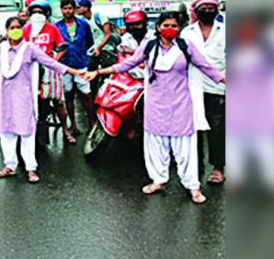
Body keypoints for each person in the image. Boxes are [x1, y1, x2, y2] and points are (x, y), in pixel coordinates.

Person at [84, 11, 225, 204]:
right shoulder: (149, 46)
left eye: (174, 26)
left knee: (185, 148)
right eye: (166, 25)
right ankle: (158, 180)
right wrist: (99, 72)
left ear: (179, 28)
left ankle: (193, 186)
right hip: (155, 104)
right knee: (156, 144)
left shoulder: (186, 46)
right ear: (158, 27)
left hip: (181, 104)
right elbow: (128, 64)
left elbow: (207, 67)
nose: (170, 29)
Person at [0, 17, 83, 184]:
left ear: (23, 30)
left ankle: (31, 168)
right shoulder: (1, 49)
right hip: (5, 97)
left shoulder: (30, 49)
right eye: (12, 27)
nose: (15, 30)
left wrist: (75, 72)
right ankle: (10, 166)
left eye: (18, 27)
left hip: (23, 96)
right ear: (7, 30)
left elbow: (50, 63)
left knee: (26, 132)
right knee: (6, 131)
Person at [181, 0, 227, 185]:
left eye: (211, 8)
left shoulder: (225, 30)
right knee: (194, 130)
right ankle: (196, 167)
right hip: (192, 87)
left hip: (219, 86)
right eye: (203, 8)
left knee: (217, 130)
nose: (207, 11)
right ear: (196, 11)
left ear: (217, 11)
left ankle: (218, 168)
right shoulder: (187, 33)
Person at [24, 0, 75, 145]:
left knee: (58, 101)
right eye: (34, 12)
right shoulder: (26, 29)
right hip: (30, 70)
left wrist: (54, 61)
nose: (37, 15)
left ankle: (66, 130)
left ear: (46, 14)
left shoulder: (52, 29)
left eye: (40, 12)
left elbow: (62, 46)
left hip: (50, 70)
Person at [55, 0, 94, 133]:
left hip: (80, 63)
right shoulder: (57, 26)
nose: (67, 11)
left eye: (70, 8)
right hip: (64, 65)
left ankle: (92, 123)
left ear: (74, 9)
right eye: (65, 8)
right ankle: (73, 125)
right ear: (61, 10)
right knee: (68, 96)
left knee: (86, 95)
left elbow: (89, 42)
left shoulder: (84, 25)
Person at [77, 0, 117, 97]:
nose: (77, 9)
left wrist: (99, 48)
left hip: (106, 49)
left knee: (107, 75)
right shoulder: (81, 20)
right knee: (91, 74)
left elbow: (107, 34)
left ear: (86, 8)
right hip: (92, 51)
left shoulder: (99, 17)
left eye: (79, 7)